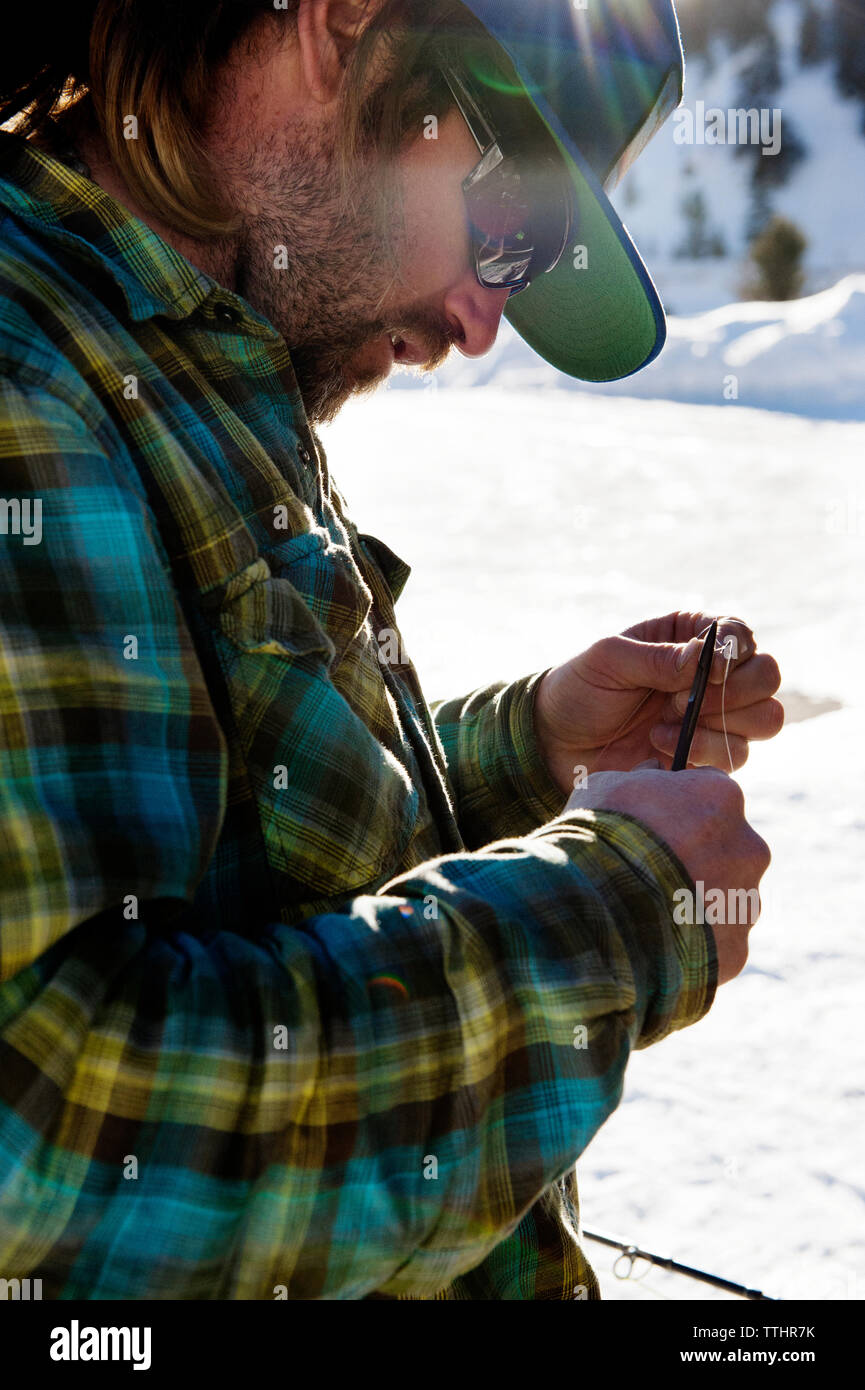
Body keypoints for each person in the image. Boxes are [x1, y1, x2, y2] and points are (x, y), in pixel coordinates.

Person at [0, 0, 782, 1300]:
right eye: (509, 221)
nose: (480, 325)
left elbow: (237, 838)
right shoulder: (27, 387)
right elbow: (49, 1139)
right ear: (343, 26)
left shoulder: (198, 349)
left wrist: (523, 750)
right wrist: (601, 912)